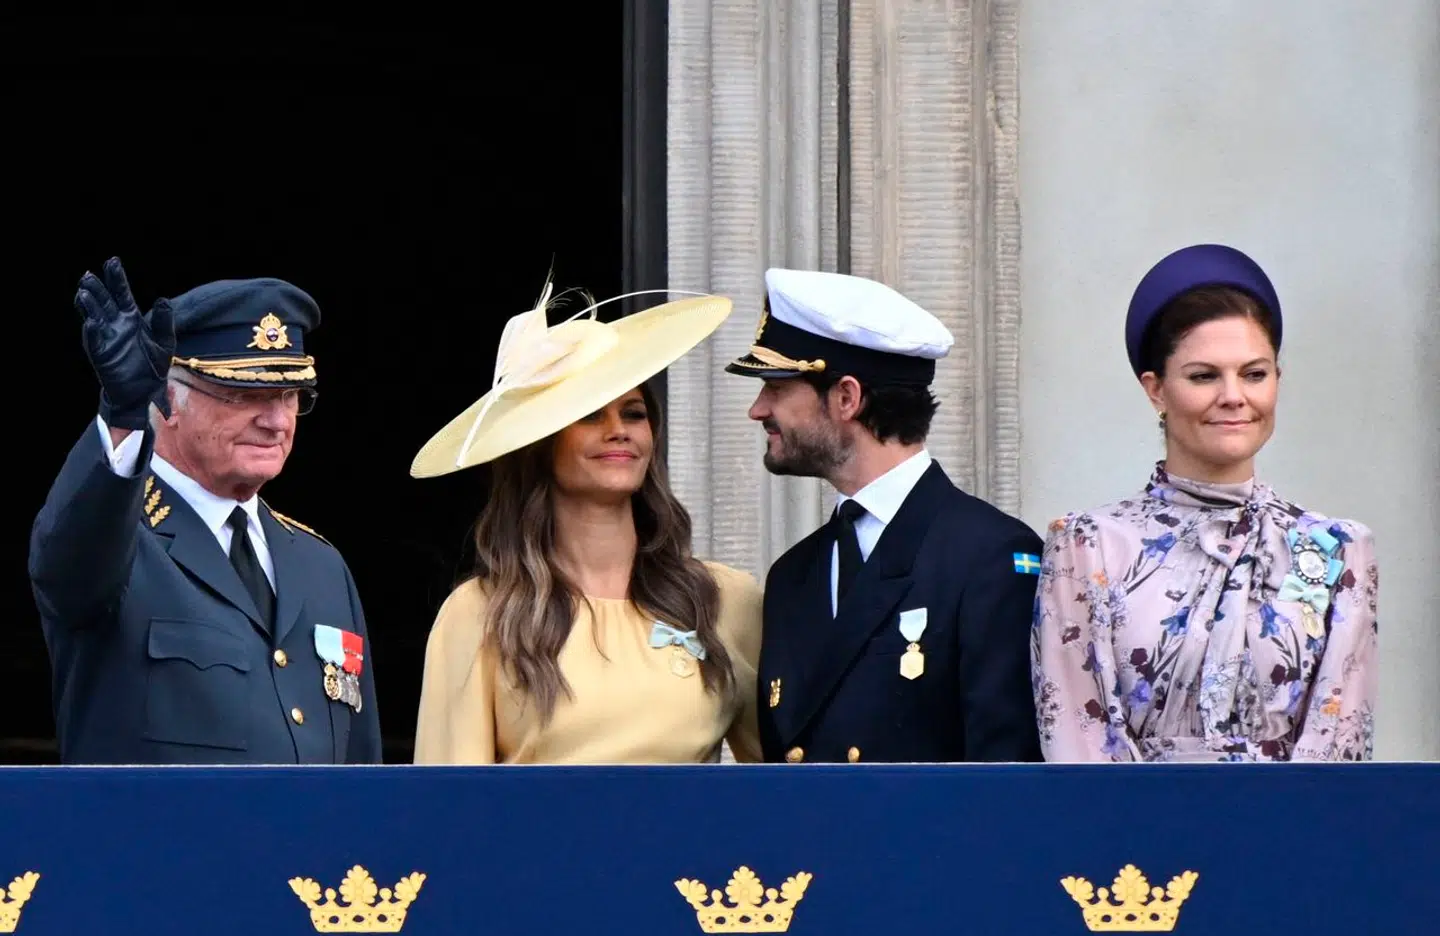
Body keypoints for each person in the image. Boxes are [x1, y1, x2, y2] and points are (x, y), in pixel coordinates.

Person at [1030, 243, 1379, 762]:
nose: (1234, 396)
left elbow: (1339, 743)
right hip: (1128, 839)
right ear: (1156, 390)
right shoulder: (1088, 546)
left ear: (1278, 381)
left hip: (1291, 836)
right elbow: (1081, 744)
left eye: (1254, 374)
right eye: (1204, 376)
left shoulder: (1335, 549)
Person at [28, 256, 381, 764]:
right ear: (167, 398)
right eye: (245, 393)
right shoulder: (117, 538)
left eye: (290, 394)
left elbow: (361, 767)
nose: (277, 421)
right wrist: (123, 416)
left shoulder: (322, 566)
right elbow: (66, 569)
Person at [409, 281, 763, 764]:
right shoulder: (477, 614)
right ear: (539, 442)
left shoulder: (728, 600)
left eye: (634, 413)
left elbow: (781, 797)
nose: (618, 429)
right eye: (591, 414)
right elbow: (450, 809)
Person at [722, 267, 1046, 764]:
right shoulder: (793, 574)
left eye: (775, 386)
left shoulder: (989, 557)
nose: (758, 409)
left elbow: (1005, 778)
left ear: (846, 397)